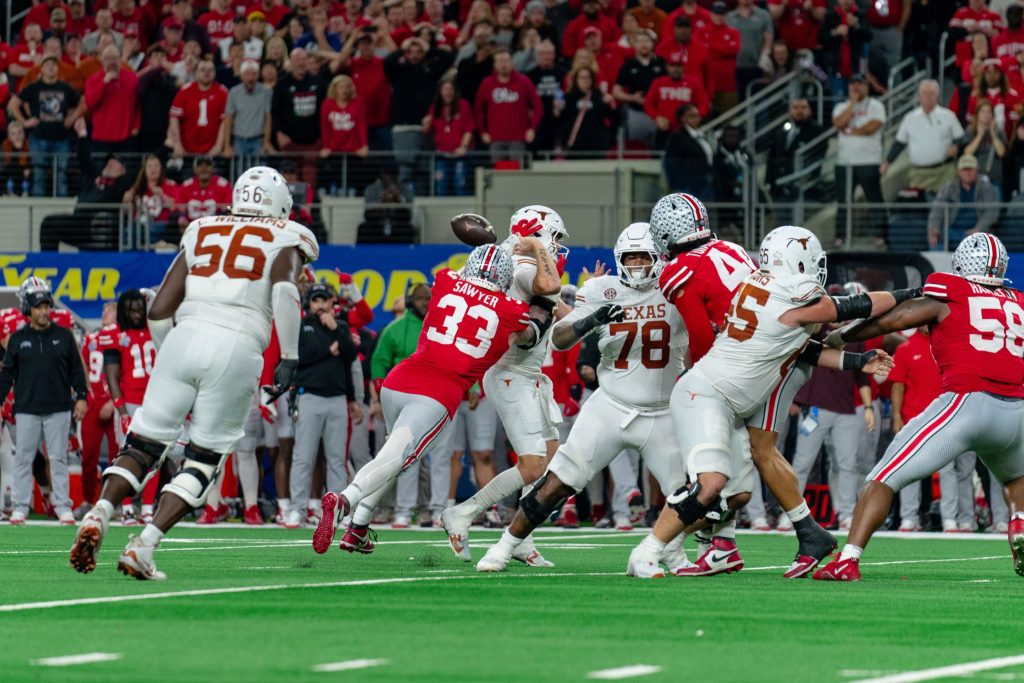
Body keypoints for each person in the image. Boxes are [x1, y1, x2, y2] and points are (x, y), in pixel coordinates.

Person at [70, 166, 319, 580]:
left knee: (143, 444)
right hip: (237, 343)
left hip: (184, 335)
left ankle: (101, 511)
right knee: (203, 460)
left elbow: (158, 308)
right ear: (280, 206)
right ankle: (144, 546)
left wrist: (173, 357)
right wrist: (290, 356)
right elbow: (285, 290)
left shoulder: (202, 228)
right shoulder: (288, 236)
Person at [636, 225, 900, 578]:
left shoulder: (758, 284)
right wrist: (912, 292)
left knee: (737, 491)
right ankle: (649, 551)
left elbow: (795, 345)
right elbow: (854, 306)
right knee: (713, 482)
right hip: (708, 394)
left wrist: (856, 361)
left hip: (725, 396)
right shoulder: (789, 292)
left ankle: (714, 547)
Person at [311, 242, 554, 555]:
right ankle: (344, 500)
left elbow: (466, 287)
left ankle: (357, 527)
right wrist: (542, 307)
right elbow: (534, 321)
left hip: (400, 379)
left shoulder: (445, 281)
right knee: (395, 457)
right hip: (437, 392)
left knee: (391, 457)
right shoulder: (510, 310)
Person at [476, 223, 691, 572]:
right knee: (557, 481)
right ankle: (505, 546)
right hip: (610, 403)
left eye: (643, 257)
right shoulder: (601, 289)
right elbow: (560, 338)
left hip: (661, 411)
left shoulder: (675, 289)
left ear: (660, 259)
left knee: (687, 493)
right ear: (619, 259)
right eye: (630, 257)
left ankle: (672, 550)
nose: (637, 264)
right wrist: (590, 319)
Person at [815, 233, 1024, 581]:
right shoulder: (1018, 300)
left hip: (968, 402)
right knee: (1017, 477)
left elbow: (900, 318)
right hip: (1017, 411)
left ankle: (846, 560)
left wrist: (845, 334)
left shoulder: (951, 289)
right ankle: (1019, 523)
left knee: (882, 477)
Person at [440, 206, 566, 566]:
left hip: (526, 373)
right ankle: (463, 512)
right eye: (552, 237)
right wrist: (537, 250)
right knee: (532, 466)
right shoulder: (526, 265)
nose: (555, 245)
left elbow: (558, 318)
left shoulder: (504, 260)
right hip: (511, 372)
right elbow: (546, 286)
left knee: (550, 456)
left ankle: (523, 537)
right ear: (537, 234)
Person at [0, 277, 88, 526]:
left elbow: (76, 370)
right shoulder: (17, 339)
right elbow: (7, 374)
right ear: (28, 308)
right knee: (23, 458)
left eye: (46, 306)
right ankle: (20, 506)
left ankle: (63, 506)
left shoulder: (63, 336)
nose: (44, 311)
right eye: (38, 306)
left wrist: (81, 396)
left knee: (59, 457)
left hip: (58, 407)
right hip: (26, 407)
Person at [284, 283, 360, 528]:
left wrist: (336, 329)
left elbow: (350, 356)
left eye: (323, 300)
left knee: (337, 459)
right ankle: (297, 509)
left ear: (331, 302)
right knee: (303, 457)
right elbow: (301, 357)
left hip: (337, 399)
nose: (319, 305)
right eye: (315, 300)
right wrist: (329, 349)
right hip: (309, 397)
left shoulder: (341, 327)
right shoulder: (302, 326)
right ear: (310, 303)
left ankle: (337, 511)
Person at [99, 290, 160, 525]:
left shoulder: (155, 329)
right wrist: (122, 410)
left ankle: (146, 507)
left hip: (154, 400)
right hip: (131, 402)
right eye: (131, 310)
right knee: (124, 454)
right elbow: (112, 377)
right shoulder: (114, 334)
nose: (136, 315)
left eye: (139, 310)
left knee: (155, 456)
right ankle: (126, 508)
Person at [8, 54, 81, 197]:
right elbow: (13, 104)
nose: (51, 67)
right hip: (38, 137)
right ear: (41, 69)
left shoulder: (65, 87)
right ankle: (37, 210)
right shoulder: (34, 87)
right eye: (47, 65)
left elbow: (83, 102)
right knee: (39, 174)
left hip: (62, 138)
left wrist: (72, 118)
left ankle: (62, 211)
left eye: (53, 65)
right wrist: (24, 122)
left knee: (62, 174)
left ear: (58, 69)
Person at [833, 73, 887, 246]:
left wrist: (851, 131)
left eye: (860, 84)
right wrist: (853, 104)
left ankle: (881, 235)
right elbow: (838, 123)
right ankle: (840, 236)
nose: (856, 87)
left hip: (869, 161)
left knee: (875, 199)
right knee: (843, 201)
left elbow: (872, 127)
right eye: (853, 84)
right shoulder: (842, 106)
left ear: (867, 86)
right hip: (844, 162)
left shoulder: (876, 105)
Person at [883, 79, 965, 192]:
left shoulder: (949, 116)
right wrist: (888, 162)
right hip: (918, 173)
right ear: (918, 96)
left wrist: (955, 146)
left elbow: (960, 138)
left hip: (944, 171)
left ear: (937, 96)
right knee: (919, 207)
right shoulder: (909, 118)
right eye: (925, 93)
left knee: (946, 205)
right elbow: (899, 143)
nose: (928, 96)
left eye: (931, 93)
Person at [79, 302, 118, 514]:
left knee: (119, 456)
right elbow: (81, 366)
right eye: (102, 310)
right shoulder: (91, 339)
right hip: (94, 403)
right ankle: (88, 499)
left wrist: (113, 401)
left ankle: (118, 502)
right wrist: (86, 394)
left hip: (116, 402)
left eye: (109, 310)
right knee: (88, 456)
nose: (104, 314)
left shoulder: (123, 337)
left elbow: (127, 372)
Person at [475, 48, 543, 163]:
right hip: (495, 138)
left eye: (506, 60)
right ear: (495, 64)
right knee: (498, 174)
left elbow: (538, 107)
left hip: (518, 137)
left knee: (516, 174)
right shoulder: (487, 83)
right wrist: (483, 131)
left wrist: (532, 128)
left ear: (512, 62)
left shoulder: (524, 82)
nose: (503, 64)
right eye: (500, 61)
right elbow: (478, 109)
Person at [927, 154, 999, 249]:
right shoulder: (948, 188)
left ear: (977, 170)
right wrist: (934, 229)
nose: (967, 173)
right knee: (936, 243)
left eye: (970, 169)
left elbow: (991, 213)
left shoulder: (987, 188)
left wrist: (979, 229)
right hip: (951, 230)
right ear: (959, 172)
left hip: (976, 230)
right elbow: (937, 210)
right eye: (964, 169)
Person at [765, 98, 826, 204]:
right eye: (795, 107)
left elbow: (816, 155)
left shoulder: (817, 131)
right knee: (782, 218)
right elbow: (772, 156)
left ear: (810, 110)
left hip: (804, 186)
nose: (799, 111)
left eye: (803, 107)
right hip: (779, 186)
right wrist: (768, 180)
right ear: (789, 110)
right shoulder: (781, 130)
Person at [612, 29, 664, 148]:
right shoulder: (628, 65)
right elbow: (616, 91)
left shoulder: (662, 63)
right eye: (639, 41)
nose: (643, 44)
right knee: (638, 146)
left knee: (659, 146)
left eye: (646, 41)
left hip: (659, 113)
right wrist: (632, 98)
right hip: (637, 112)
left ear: (653, 43)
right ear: (634, 44)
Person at [423, 79, 475, 197]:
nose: (448, 92)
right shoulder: (435, 108)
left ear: (455, 91)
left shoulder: (463, 105)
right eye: (445, 89)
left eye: (451, 89)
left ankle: (464, 215)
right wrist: (425, 124)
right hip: (442, 156)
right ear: (440, 92)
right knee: (441, 187)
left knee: (460, 185)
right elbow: (427, 130)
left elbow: (469, 129)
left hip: (459, 156)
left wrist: (463, 146)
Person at [168, 59, 228, 158]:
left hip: (213, 152)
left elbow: (225, 121)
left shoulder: (223, 92)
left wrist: (218, 146)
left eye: (210, 70)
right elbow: (174, 117)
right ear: (196, 72)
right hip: (187, 151)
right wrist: (177, 143)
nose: (206, 73)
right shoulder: (185, 91)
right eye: (202, 70)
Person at [223, 59, 273, 165]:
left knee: (261, 174)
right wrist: (227, 145)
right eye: (247, 73)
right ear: (241, 76)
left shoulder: (266, 92)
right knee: (240, 174)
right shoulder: (234, 92)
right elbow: (228, 118)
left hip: (259, 140)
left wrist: (266, 141)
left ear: (258, 75)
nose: (251, 77)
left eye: (254, 74)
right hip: (239, 140)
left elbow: (268, 117)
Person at [123, 154, 178, 246]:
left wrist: (162, 196)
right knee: (129, 230)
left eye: (156, 165)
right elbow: (126, 213)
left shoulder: (170, 185)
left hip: (159, 224)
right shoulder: (137, 188)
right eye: (149, 166)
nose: (153, 169)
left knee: (147, 230)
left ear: (161, 168)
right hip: (138, 225)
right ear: (144, 170)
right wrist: (125, 201)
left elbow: (175, 208)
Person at [558, 66, 614, 152]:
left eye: (588, 77)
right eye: (582, 77)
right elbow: (560, 119)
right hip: (573, 145)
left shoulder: (599, 96)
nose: (585, 80)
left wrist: (610, 103)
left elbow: (612, 118)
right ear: (576, 80)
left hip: (597, 145)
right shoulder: (568, 98)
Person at [664, 105, 714, 197]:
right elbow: (671, 163)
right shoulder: (678, 137)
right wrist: (681, 186)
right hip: (689, 185)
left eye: (697, 116)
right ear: (683, 118)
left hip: (706, 183)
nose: (696, 118)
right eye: (692, 116)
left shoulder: (702, 135)